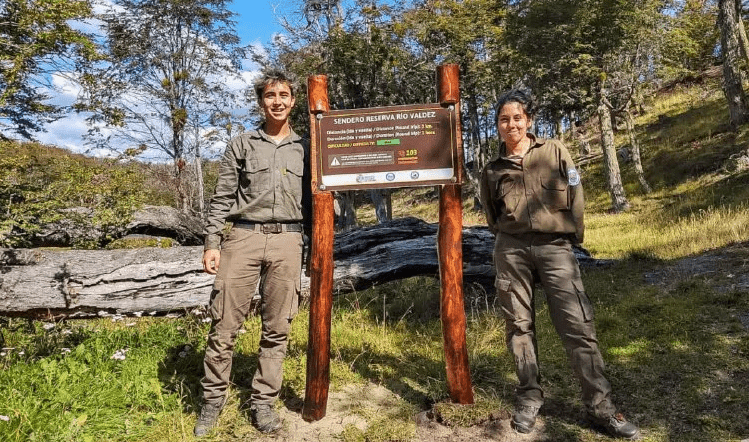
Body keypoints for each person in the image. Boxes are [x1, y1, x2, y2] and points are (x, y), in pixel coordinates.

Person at [479, 89, 640, 440]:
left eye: (517, 118)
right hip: (511, 250)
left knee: (577, 326)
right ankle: (529, 398)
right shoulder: (492, 169)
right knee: (519, 327)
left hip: (556, 248)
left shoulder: (554, 151)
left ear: (529, 121)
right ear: (498, 126)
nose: (511, 125)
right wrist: (511, 239)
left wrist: (571, 237)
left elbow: (575, 194)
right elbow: (492, 214)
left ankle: (601, 407)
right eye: (504, 119)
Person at [194, 68, 311, 437]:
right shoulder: (242, 143)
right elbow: (222, 197)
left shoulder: (307, 147)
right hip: (242, 238)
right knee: (224, 325)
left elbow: (317, 198)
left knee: (278, 328)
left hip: (289, 240)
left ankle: (264, 402)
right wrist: (212, 242)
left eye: (284, 96)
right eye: (270, 96)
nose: (277, 102)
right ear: (262, 101)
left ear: (294, 101)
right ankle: (212, 403)